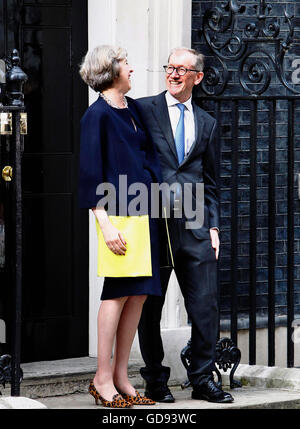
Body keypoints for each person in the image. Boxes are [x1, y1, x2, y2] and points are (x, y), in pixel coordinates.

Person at [137, 47, 234, 404]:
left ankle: (203, 378)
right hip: (152, 218)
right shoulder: (143, 109)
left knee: (205, 303)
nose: (174, 74)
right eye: (170, 68)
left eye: (182, 69)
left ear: (198, 77)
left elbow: (211, 181)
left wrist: (214, 226)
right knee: (150, 304)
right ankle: (155, 379)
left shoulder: (206, 123)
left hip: (195, 222)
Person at [78, 45, 163, 408]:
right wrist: (105, 225)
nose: (131, 68)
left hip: (144, 211)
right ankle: (101, 377)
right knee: (116, 292)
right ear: (111, 70)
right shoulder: (95, 115)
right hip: (116, 214)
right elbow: (89, 172)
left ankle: (122, 376)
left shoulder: (134, 110)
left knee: (140, 293)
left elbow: (149, 157)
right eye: (126, 63)